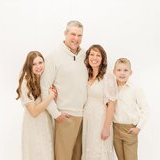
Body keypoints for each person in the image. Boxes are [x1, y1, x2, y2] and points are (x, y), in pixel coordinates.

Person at [40, 20, 88, 160]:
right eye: (73, 34)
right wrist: (56, 114)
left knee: (78, 157)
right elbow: (44, 87)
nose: (76, 38)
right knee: (63, 157)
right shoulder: (54, 57)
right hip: (65, 116)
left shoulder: (85, 55)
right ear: (65, 33)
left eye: (80, 35)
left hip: (84, 115)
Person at [16, 51, 57, 160]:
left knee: (48, 153)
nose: (38, 66)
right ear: (29, 66)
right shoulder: (26, 83)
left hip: (46, 123)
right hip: (34, 125)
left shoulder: (44, 79)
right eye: (34, 64)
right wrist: (50, 96)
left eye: (40, 62)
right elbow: (33, 112)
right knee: (38, 153)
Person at [82, 44, 117, 160]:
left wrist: (106, 127)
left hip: (100, 119)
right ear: (88, 57)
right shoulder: (86, 75)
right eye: (92, 54)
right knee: (89, 149)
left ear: (103, 59)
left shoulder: (108, 77)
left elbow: (112, 104)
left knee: (99, 150)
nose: (94, 58)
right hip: (87, 118)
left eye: (98, 55)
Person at [112, 58, 149, 160]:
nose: (122, 73)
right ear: (114, 72)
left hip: (129, 129)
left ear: (130, 72)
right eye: (119, 70)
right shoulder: (111, 87)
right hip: (115, 129)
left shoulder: (135, 89)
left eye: (125, 70)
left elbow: (145, 109)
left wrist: (138, 128)